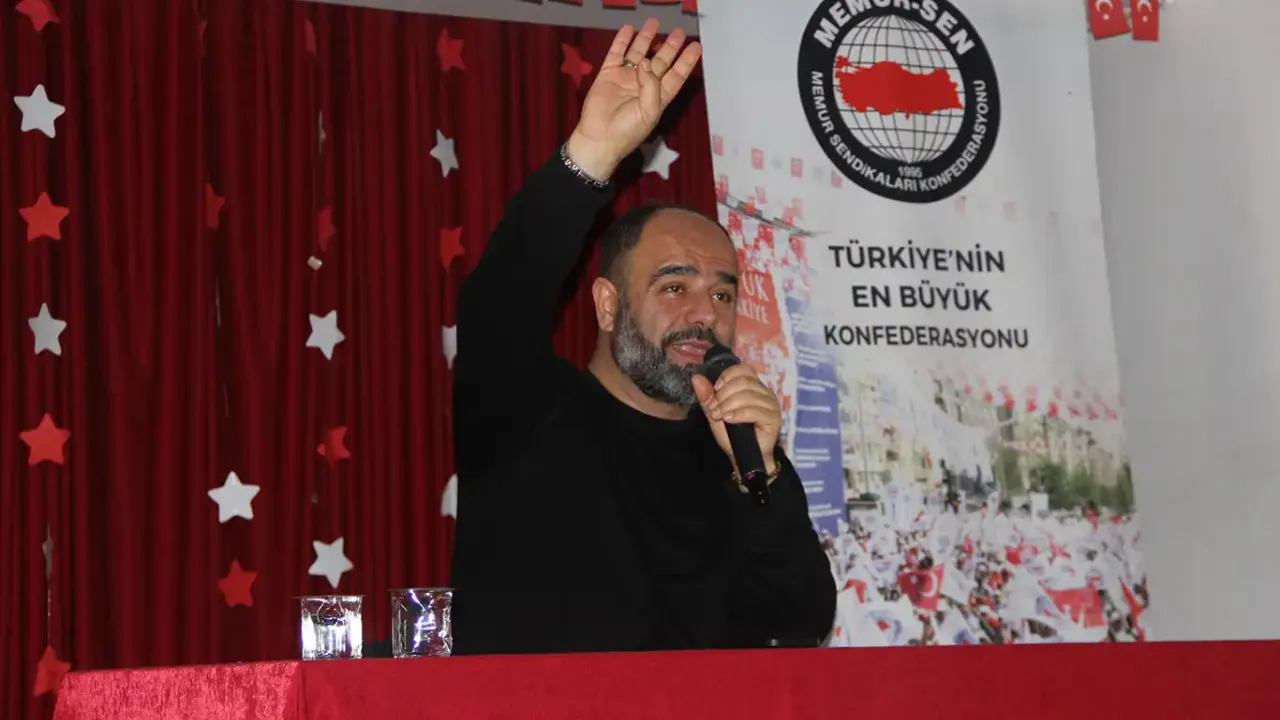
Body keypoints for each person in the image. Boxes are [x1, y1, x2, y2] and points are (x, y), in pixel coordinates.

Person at [449, 19, 836, 655]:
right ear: (607, 305)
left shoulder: (738, 452)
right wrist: (591, 156)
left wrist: (760, 476)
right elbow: (499, 300)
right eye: (674, 286)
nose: (704, 313)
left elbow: (800, 619)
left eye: (722, 294)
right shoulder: (527, 411)